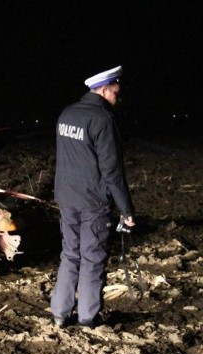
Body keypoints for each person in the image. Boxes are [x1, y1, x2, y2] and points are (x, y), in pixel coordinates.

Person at [51, 65, 135, 328]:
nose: (118, 98)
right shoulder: (102, 120)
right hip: (93, 201)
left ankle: (59, 315)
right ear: (104, 90)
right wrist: (127, 210)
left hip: (66, 197)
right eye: (116, 93)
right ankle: (87, 318)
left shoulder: (67, 113)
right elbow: (112, 171)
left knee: (69, 254)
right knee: (92, 258)